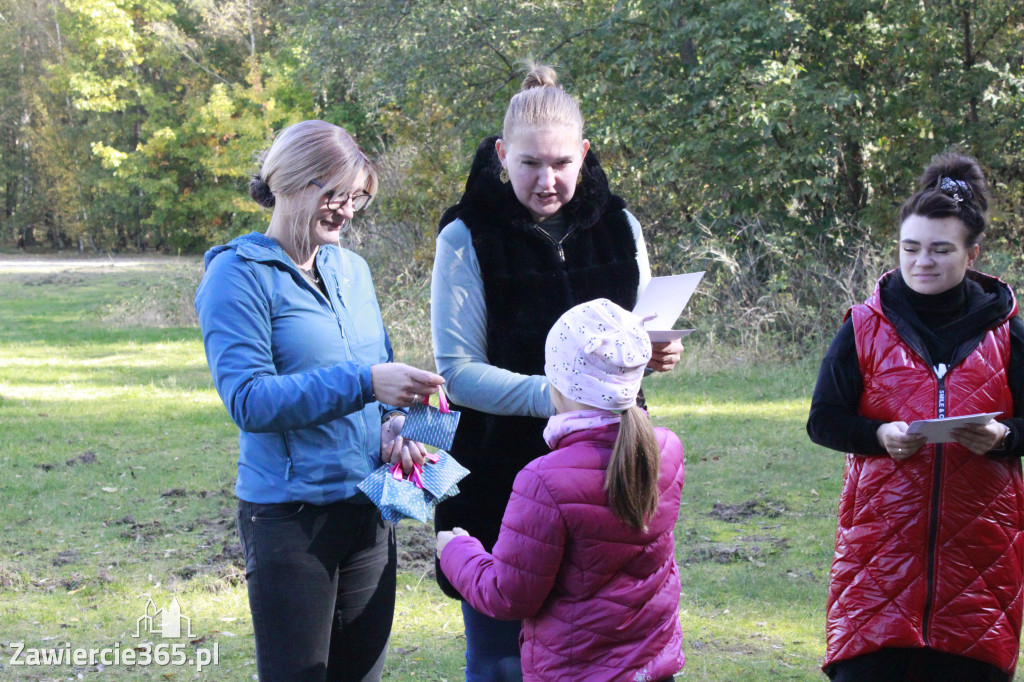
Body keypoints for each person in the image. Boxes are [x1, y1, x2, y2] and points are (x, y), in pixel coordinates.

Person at [430, 62, 684, 680]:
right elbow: (458, 373)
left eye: (562, 164)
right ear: (501, 155)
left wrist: (657, 352)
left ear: (585, 154)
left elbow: (638, 334)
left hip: (613, 469)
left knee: (613, 646)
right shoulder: (466, 236)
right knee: (499, 656)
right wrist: (568, 397)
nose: (548, 180)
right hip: (500, 468)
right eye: (530, 164)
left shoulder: (621, 226)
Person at [195, 119, 445, 681]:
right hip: (290, 521)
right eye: (332, 194)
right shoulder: (236, 276)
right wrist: (365, 383)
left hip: (369, 512)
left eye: (356, 197)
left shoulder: (351, 269)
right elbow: (249, 399)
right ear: (287, 181)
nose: (346, 210)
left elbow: (377, 380)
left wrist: (396, 424)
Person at [807, 152, 1024, 681]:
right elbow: (824, 420)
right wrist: (878, 434)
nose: (922, 261)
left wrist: (1002, 436)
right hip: (879, 556)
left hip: (980, 560)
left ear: (972, 254)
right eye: (911, 248)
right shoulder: (863, 325)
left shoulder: (1010, 331)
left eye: (939, 249)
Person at [436, 298, 686, 682]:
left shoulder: (544, 480)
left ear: (556, 382)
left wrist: (457, 553)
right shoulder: (665, 449)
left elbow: (510, 596)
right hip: (650, 667)